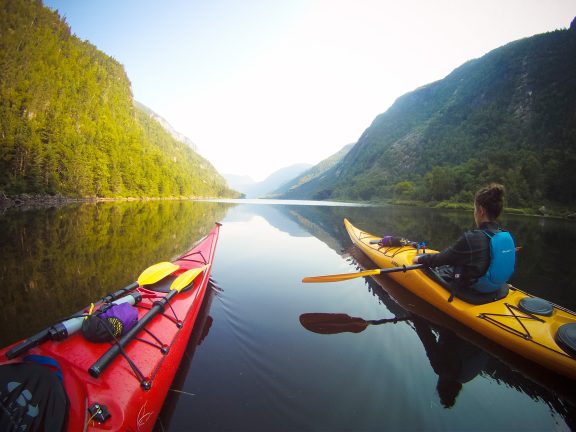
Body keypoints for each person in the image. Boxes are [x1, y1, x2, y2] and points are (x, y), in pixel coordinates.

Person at [412, 183, 515, 293]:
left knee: (442, 269)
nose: (474, 213)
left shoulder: (472, 238)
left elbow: (441, 259)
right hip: (496, 287)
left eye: (474, 209)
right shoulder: (505, 235)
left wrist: (419, 259)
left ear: (481, 211)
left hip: (475, 290)